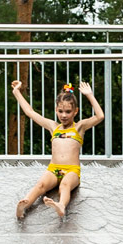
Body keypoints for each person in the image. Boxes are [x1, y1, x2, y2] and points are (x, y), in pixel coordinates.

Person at [12, 80, 105, 223]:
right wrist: (16, 92)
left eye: (68, 112)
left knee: (65, 185)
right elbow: (30, 112)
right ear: (56, 110)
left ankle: (61, 205)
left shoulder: (79, 127)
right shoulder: (53, 127)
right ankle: (24, 205)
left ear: (75, 111)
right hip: (53, 168)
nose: (64, 115)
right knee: (40, 185)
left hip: (72, 171)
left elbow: (100, 116)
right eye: (60, 111)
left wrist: (89, 95)